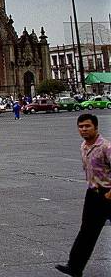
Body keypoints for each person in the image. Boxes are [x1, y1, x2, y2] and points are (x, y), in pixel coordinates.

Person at [55, 114, 111, 277]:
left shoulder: (106, 147)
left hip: (108, 194)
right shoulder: (83, 146)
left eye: (87, 126)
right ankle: (74, 267)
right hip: (93, 195)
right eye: (81, 127)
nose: (84, 129)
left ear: (96, 127)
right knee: (87, 231)